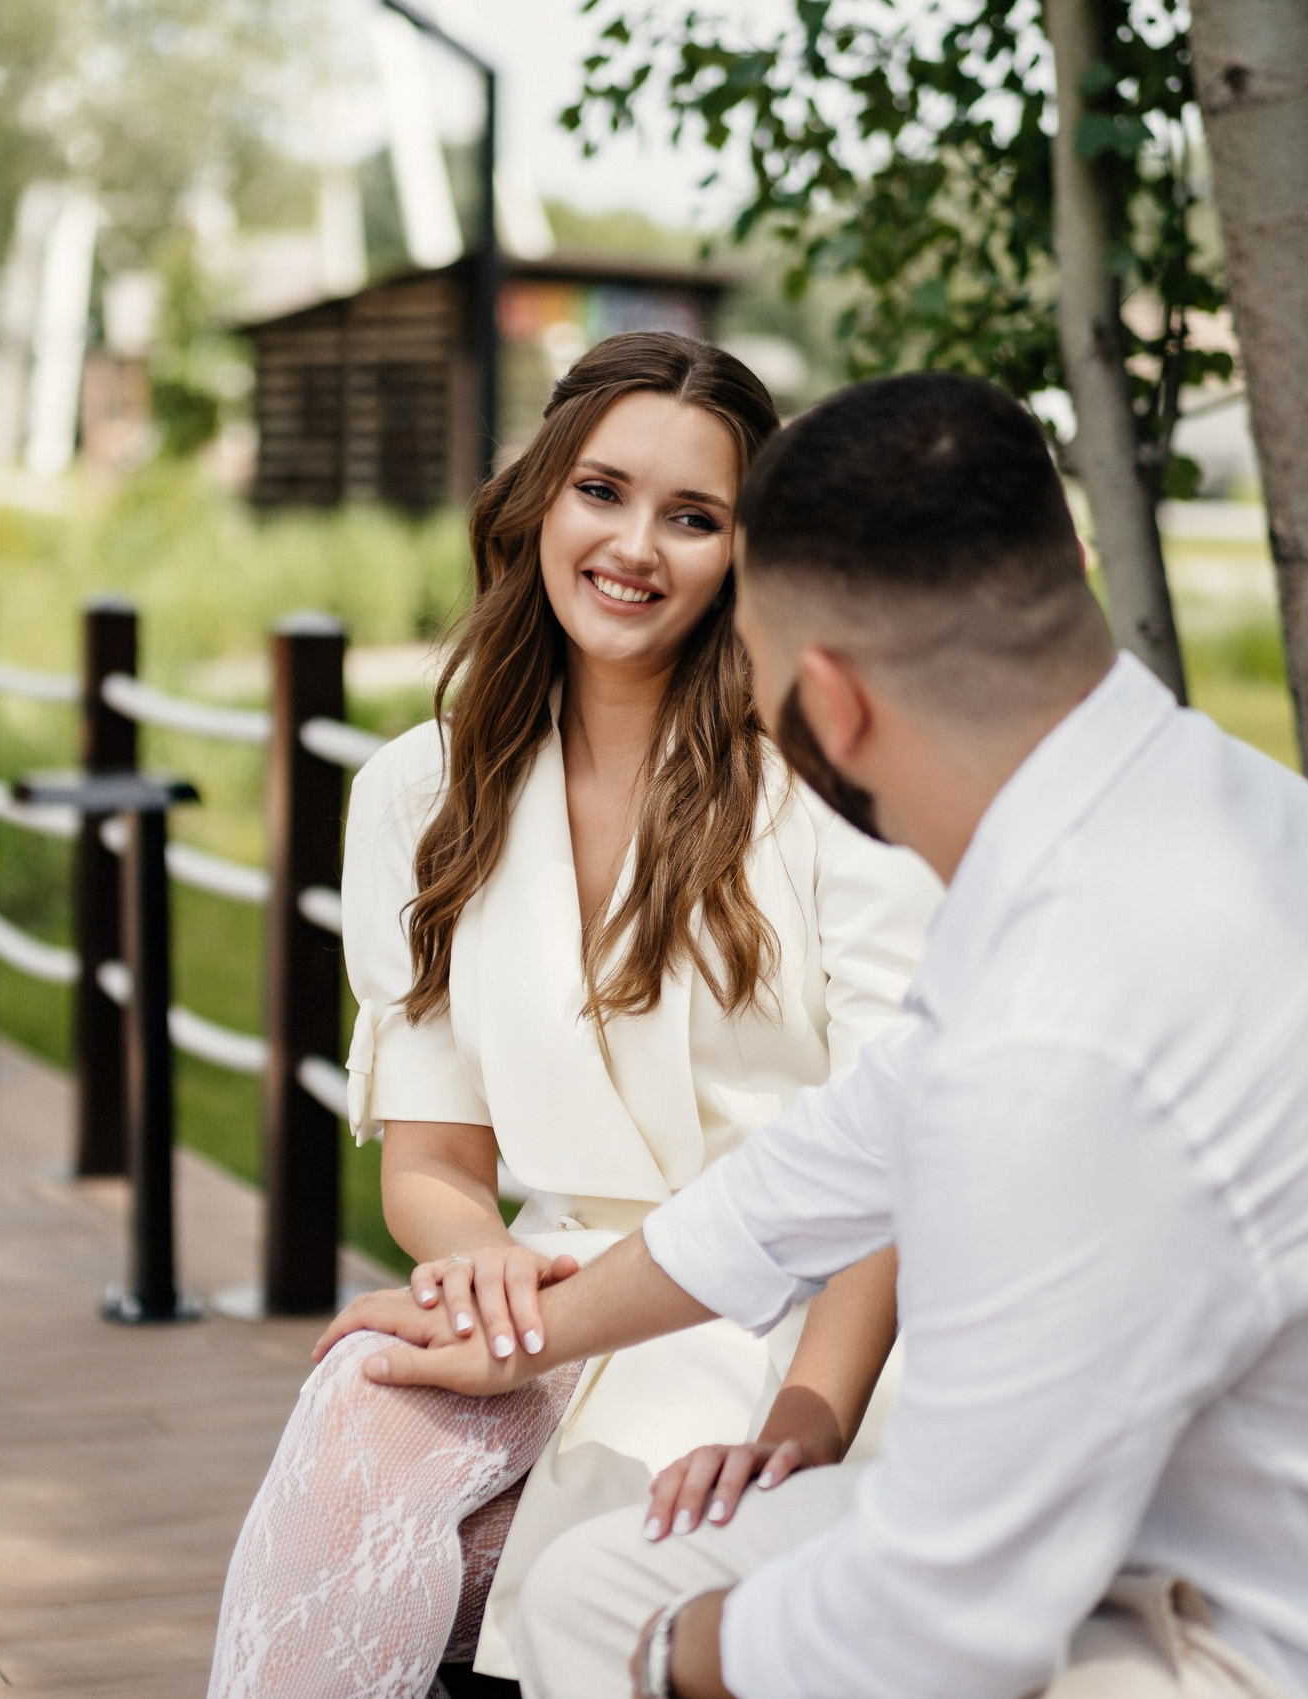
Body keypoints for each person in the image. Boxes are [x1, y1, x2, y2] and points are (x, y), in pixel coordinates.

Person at [323, 372, 1308, 1699]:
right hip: (1219, 1542)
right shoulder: (1208, 819)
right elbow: (840, 1155)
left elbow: (958, 1608)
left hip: (1304, 1648)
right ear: (1064, 563)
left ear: (826, 709)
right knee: (597, 1589)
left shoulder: (1071, 1023)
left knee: (627, 1623)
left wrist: (672, 1663)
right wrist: (536, 1329)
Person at [206, 334, 942, 1699]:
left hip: (798, 1308)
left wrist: (813, 1416)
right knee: (354, 1425)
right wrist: (475, 1264)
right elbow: (430, 1159)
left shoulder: (833, 783)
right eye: (603, 490)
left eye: (695, 516)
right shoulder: (415, 794)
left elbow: (898, 1164)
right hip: (557, 1287)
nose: (636, 547)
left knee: (593, 1548)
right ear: (540, 496)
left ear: (746, 551)